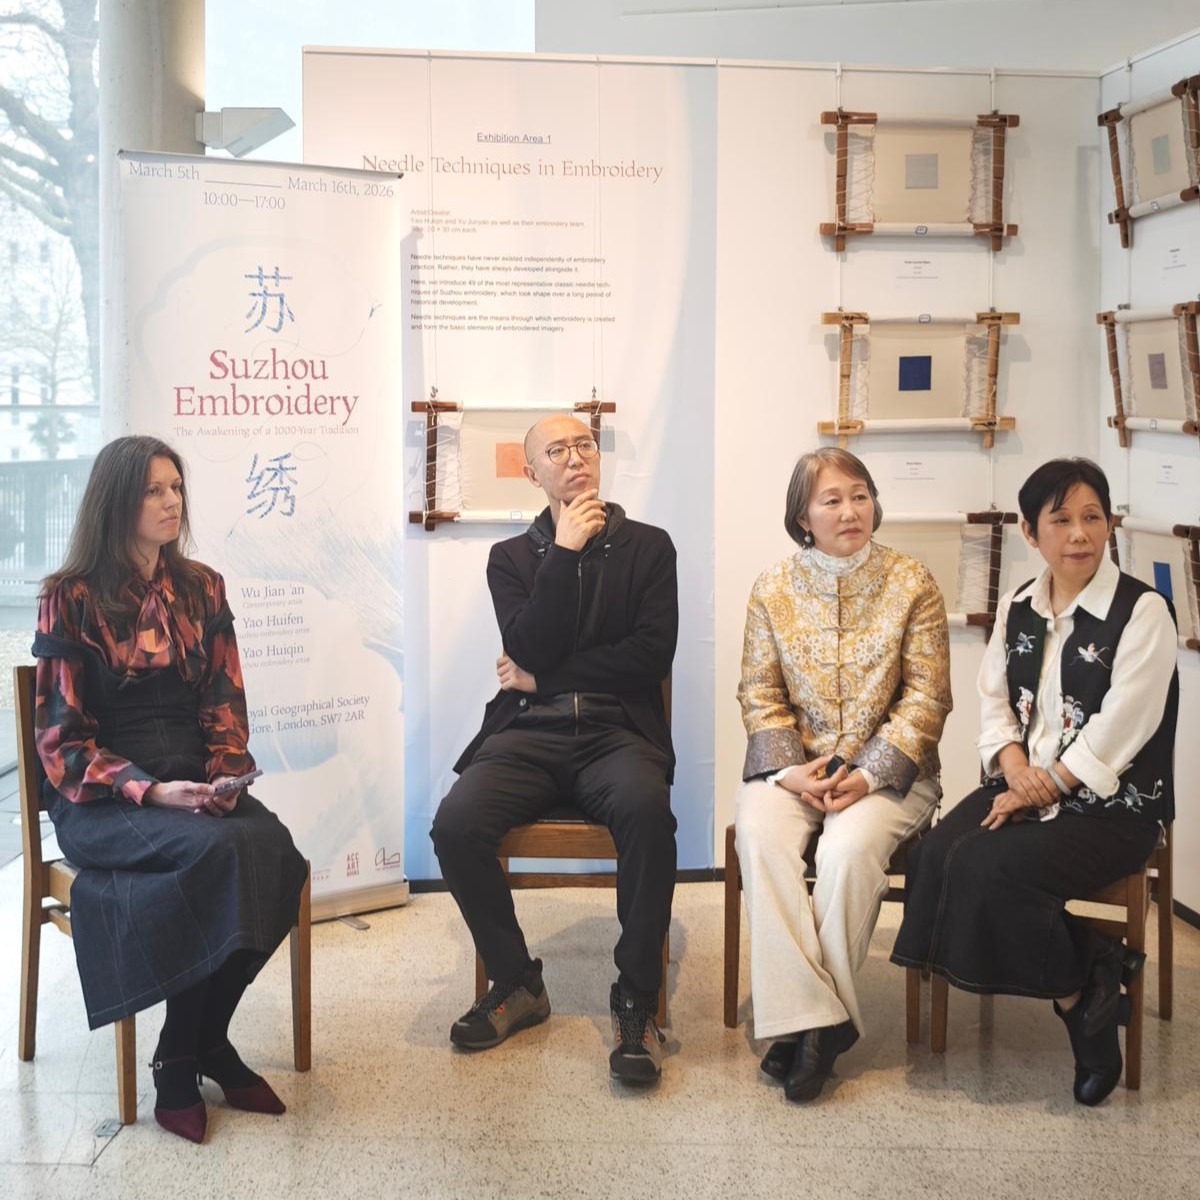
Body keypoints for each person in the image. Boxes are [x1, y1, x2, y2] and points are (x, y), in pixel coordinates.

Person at [33, 436, 308, 1143]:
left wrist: (223, 776)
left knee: (275, 850)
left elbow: (224, 700)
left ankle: (196, 1040)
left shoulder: (202, 586)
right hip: (102, 796)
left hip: (190, 779)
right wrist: (152, 792)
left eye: (176, 488)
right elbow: (61, 746)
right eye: (154, 490)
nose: (170, 502)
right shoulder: (70, 598)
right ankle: (183, 1062)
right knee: (214, 855)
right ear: (116, 501)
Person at [891, 458, 1177, 1106]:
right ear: (1029, 530)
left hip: (1111, 808)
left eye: (1092, 517)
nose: (1080, 534)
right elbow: (994, 701)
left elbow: (1123, 725)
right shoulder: (1019, 605)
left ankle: (1083, 1010)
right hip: (1022, 781)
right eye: (1062, 520)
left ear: (1110, 523)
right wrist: (1016, 771)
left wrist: (1045, 786)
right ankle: (1096, 967)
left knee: (991, 870)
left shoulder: (1143, 613)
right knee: (938, 854)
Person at [431, 415, 678, 1083]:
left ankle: (637, 999)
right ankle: (517, 982)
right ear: (531, 471)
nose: (576, 459)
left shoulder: (650, 548)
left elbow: (650, 657)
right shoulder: (511, 558)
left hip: (616, 732)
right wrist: (564, 553)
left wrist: (549, 676)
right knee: (455, 825)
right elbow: (528, 646)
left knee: (648, 814)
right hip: (529, 732)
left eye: (585, 446)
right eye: (556, 450)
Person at [734, 447, 952, 1103]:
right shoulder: (772, 588)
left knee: (849, 851)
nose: (850, 510)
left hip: (892, 773)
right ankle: (819, 1019)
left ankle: (811, 1034)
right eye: (831, 499)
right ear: (804, 516)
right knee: (762, 839)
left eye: (860, 494)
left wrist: (867, 773)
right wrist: (792, 773)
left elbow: (927, 699)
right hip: (796, 768)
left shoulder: (913, 582)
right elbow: (758, 693)